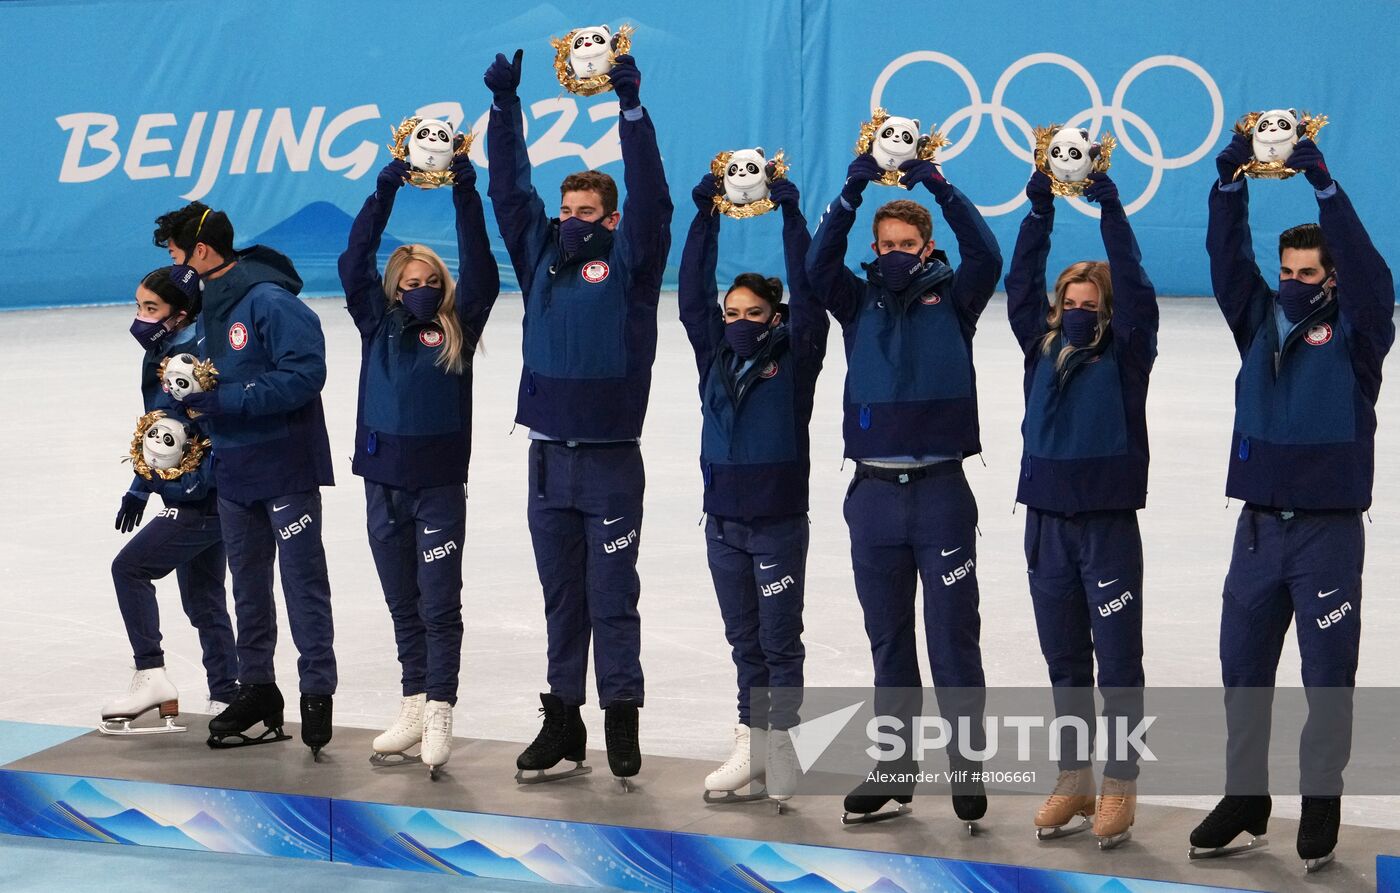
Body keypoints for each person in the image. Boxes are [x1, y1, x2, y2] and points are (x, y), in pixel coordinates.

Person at [1189, 135, 1393, 871]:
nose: (1294, 282)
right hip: (1256, 532)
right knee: (1241, 671)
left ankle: (1321, 798)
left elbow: (1373, 276)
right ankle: (1246, 796)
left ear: (1331, 277)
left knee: (1326, 675)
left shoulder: (1360, 333)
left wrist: (1326, 191)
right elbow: (1225, 260)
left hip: (1327, 534)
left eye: (1308, 273)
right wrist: (1228, 184)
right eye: (1286, 272)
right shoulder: (1258, 317)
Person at [484, 47, 672, 787]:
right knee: (562, 601)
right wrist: (504, 109)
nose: (569, 221)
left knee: (612, 599)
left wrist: (632, 111)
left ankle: (622, 715)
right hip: (546, 461)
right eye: (564, 211)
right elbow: (509, 193)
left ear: (612, 219)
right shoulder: (540, 258)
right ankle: (564, 721)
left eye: (585, 213)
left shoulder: (631, 262)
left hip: (609, 462)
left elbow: (653, 200)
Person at [806, 152, 1002, 827]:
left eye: (906, 244)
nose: (895, 253)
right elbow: (816, 267)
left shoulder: (957, 299)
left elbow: (986, 252)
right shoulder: (855, 302)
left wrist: (941, 187)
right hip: (873, 498)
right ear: (874, 247)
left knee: (954, 641)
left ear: (927, 247)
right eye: (886, 244)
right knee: (888, 641)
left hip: (942, 494)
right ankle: (895, 772)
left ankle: (967, 769)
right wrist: (850, 192)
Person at [1005, 170, 1157, 848]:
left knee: (1118, 665)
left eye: (1089, 304)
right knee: (1065, 662)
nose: (1077, 312)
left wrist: (1111, 209)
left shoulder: (1127, 354)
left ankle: (1121, 783)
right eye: (1069, 301)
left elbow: (1139, 287)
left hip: (1106, 529)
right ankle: (1074, 777)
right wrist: (1039, 208)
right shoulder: (1039, 348)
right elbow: (1019, 283)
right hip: (1045, 528)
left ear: (1108, 311)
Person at [152, 202, 338, 758]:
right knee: (248, 589)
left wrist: (227, 400)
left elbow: (306, 374)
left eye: (177, 255)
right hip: (234, 470)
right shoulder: (211, 303)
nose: (175, 267)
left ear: (201, 251)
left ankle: (317, 692)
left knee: (303, 585)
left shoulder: (269, 301)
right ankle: (259, 689)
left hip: (285, 466)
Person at [338, 144, 499, 778]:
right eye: (412, 284)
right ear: (394, 288)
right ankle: (412, 700)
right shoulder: (374, 323)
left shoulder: (460, 324)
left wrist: (465, 192)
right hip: (382, 484)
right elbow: (354, 260)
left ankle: (439, 708)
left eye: (433, 282)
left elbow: (482, 267)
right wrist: (384, 194)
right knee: (402, 602)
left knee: (439, 605)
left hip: (438, 489)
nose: (424, 291)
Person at [679, 173, 826, 806]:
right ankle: (751, 743)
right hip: (722, 524)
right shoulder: (712, 357)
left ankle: (782, 744)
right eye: (732, 314)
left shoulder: (796, 358)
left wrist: (792, 219)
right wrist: (706, 217)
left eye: (754, 314)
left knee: (778, 641)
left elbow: (812, 294)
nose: (741, 323)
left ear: (776, 317)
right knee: (745, 643)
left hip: (777, 522)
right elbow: (690, 294)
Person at [101, 265, 237, 735]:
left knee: (130, 569)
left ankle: (152, 675)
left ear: (180, 313)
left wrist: (190, 486)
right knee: (204, 600)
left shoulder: (196, 356)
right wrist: (141, 486)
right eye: (138, 305)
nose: (139, 316)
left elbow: (204, 426)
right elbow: (162, 429)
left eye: (150, 307)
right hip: (199, 491)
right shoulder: (164, 350)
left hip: (204, 495)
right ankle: (227, 695)